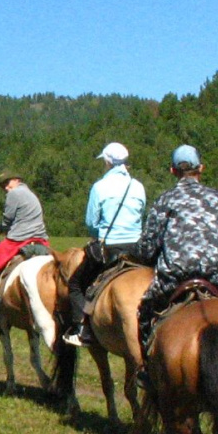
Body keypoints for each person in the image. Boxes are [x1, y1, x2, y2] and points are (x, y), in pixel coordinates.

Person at [135, 144, 218, 351]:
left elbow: (147, 250)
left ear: (173, 171)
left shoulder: (165, 201)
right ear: (201, 169)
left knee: (145, 315)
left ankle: (145, 368)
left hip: (174, 280)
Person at [60, 143, 148, 347]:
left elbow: (91, 223)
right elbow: (140, 214)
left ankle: (83, 329)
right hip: (137, 247)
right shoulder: (138, 186)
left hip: (110, 248)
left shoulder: (100, 187)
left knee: (75, 284)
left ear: (108, 162)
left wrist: (99, 233)